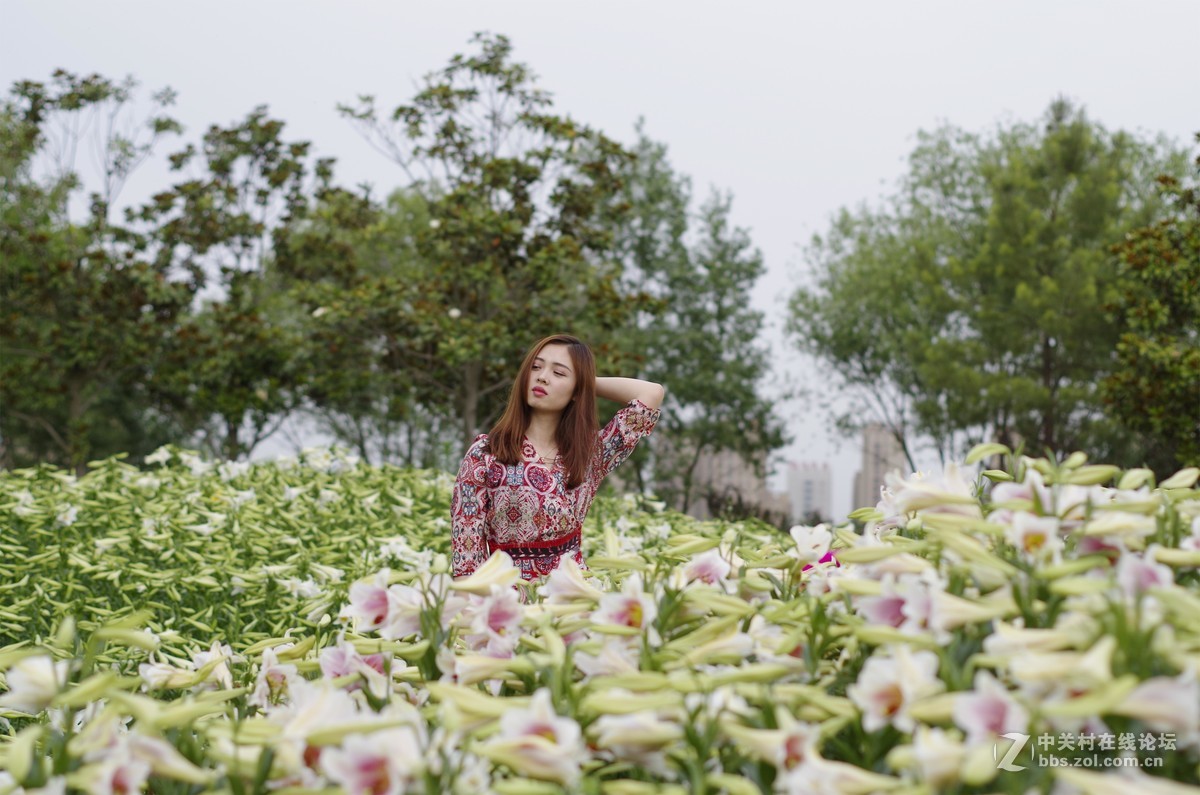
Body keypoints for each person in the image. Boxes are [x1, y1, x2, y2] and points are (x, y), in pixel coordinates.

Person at [450, 334, 665, 581]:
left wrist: (583, 383)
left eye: (558, 373)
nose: (542, 377)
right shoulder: (486, 453)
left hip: (574, 593)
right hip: (507, 595)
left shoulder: (591, 453)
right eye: (535, 367)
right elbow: (466, 560)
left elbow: (651, 393)